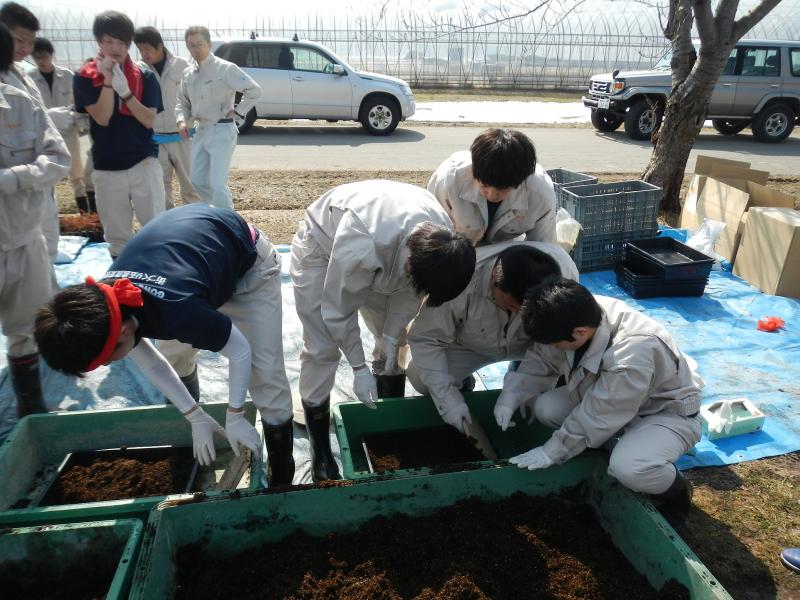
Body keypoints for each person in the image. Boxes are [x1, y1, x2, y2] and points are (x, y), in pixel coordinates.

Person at [34, 204, 295, 485]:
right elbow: (155, 362)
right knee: (174, 356)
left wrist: (235, 415)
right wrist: (195, 417)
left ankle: (282, 477)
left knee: (265, 373)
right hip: (192, 264)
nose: (114, 362)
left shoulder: (176, 309)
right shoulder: (100, 305)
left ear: (122, 331)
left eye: (111, 358)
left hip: (247, 264)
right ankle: (191, 444)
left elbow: (240, 350)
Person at [290, 180, 476, 481]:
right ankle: (320, 448)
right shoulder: (361, 242)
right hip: (323, 250)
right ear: (412, 263)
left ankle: (389, 422)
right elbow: (338, 310)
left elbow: (411, 293)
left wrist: (390, 335)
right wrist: (358, 367)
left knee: (395, 342)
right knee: (322, 348)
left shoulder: (442, 242)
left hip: (392, 252)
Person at [495, 279, 703, 527]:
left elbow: (600, 414)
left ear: (580, 332)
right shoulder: (574, 314)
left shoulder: (633, 351)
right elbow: (542, 358)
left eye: (555, 343)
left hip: (663, 413)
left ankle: (677, 492)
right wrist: (512, 394)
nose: (553, 347)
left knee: (629, 467)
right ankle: (598, 454)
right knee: (546, 408)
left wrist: (553, 451)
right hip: (606, 397)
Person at [407, 241, 577, 432]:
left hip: (529, 345)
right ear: (495, 277)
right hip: (472, 346)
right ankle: (463, 386)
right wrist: (448, 400)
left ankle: (528, 374)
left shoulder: (563, 274)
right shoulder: (459, 279)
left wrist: (518, 389)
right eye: (512, 306)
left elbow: (554, 343)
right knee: (419, 377)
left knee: (568, 357)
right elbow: (426, 338)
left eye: (528, 310)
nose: (520, 314)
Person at [0, 22, 70, 417]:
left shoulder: (20, 102)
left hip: (24, 240)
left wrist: (13, 178)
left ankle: (31, 411)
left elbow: (57, 158)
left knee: (25, 331)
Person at [74, 11, 165, 259]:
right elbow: (102, 118)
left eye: (122, 43)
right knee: (117, 236)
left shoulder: (145, 76)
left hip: (143, 163)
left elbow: (148, 119)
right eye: (109, 41)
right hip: (106, 167)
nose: (115, 48)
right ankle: (123, 285)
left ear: (128, 45)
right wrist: (106, 82)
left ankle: (158, 282)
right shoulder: (84, 77)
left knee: (155, 229)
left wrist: (125, 93)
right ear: (99, 42)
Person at [0, 3, 63, 272]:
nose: (26, 48)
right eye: (19, 40)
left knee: (45, 246)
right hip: (12, 206)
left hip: (36, 184)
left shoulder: (21, 76)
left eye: (31, 42)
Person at [175, 25, 261, 210]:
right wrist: (181, 120)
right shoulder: (189, 74)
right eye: (191, 45)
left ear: (209, 44)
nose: (195, 49)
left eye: (199, 44)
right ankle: (216, 214)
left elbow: (254, 90)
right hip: (201, 130)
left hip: (222, 130)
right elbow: (182, 101)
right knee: (197, 180)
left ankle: (228, 221)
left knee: (217, 183)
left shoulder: (225, 69)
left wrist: (239, 111)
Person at [427, 128, 557, 246]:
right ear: (474, 171)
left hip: (503, 251)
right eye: (484, 186)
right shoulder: (449, 180)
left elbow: (544, 246)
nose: (491, 195)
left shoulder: (540, 194)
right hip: (457, 250)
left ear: (521, 181)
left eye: (503, 189)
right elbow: (431, 235)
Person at [134, 26, 200, 210]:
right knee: (159, 189)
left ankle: (194, 224)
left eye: (148, 48)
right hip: (154, 139)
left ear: (160, 46)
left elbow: (195, 97)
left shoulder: (183, 66)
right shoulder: (138, 70)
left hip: (183, 136)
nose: (144, 53)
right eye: (140, 49)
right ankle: (167, 226)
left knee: (191, 186)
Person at [30, 37, 90, 213]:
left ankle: (85, 214)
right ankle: (50, 213)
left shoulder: (67, 76)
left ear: (51, 55)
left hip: (67, 129)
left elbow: (77, 103)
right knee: (46, 173)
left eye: (45, 56)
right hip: (44, 132)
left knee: (77, 174)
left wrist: (80, 124)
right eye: (37, 57)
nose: (42, 60)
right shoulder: (30, 79)